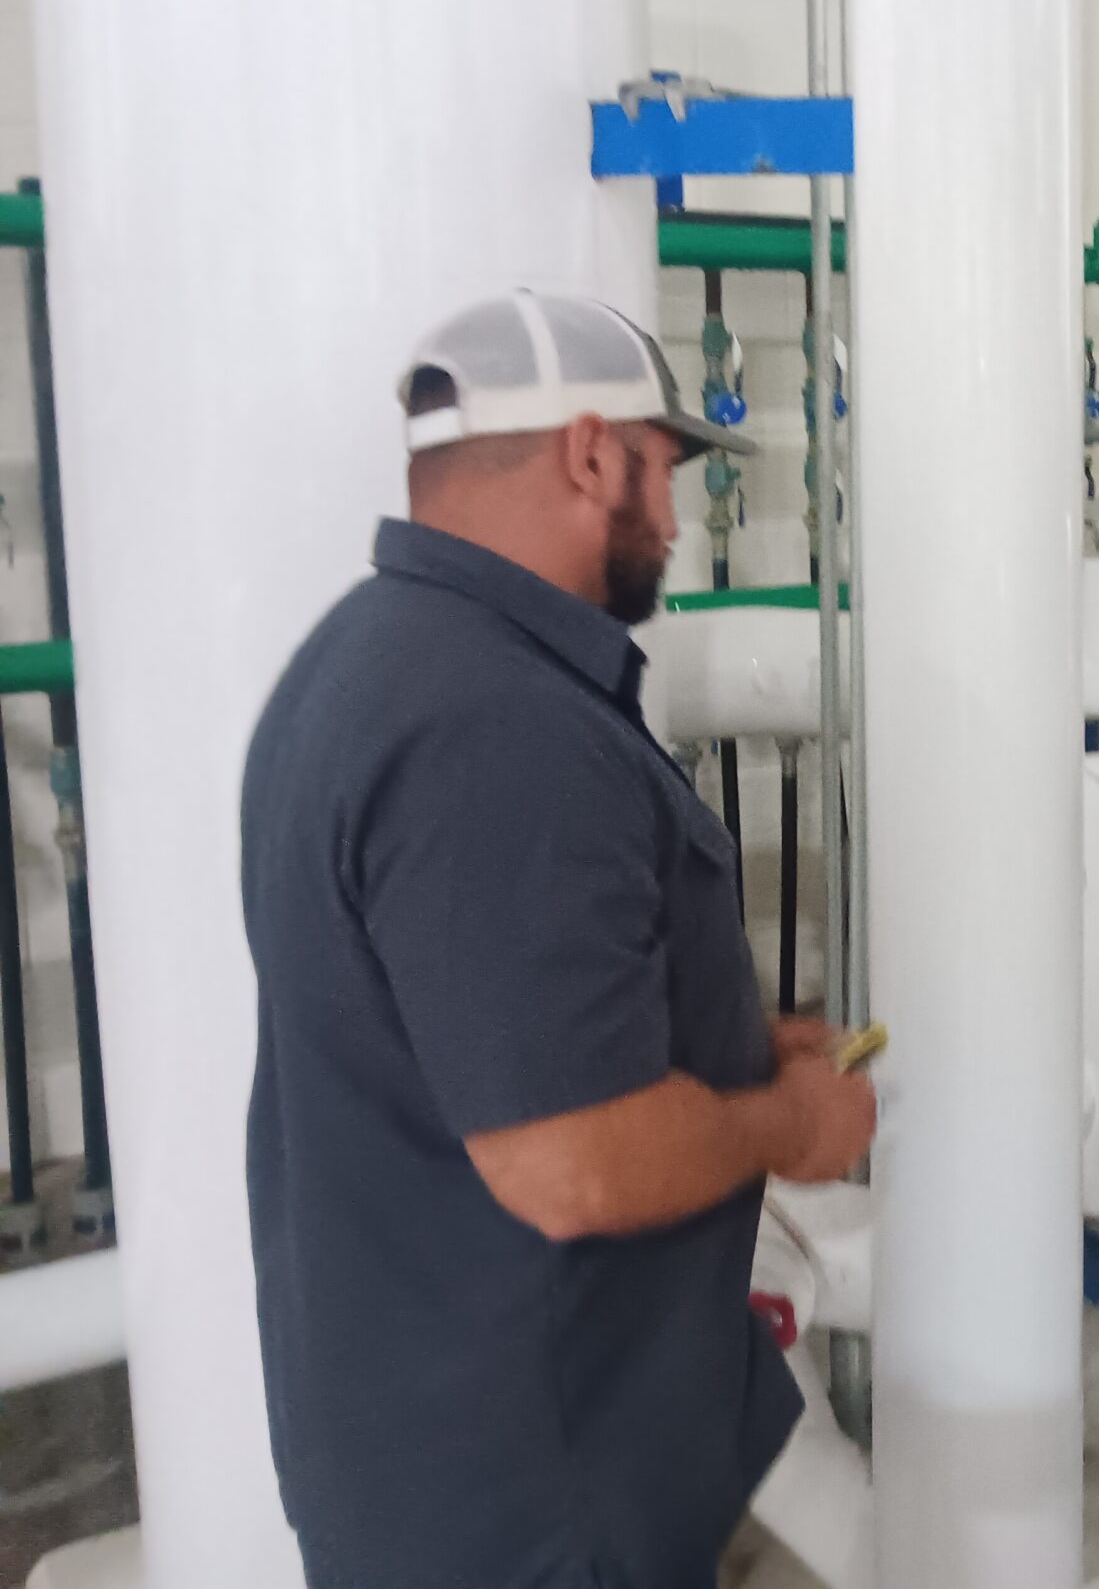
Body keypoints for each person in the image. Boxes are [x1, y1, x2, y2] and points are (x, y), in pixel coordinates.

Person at [241, 290, 878, 1589]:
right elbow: (570, 1164)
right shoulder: (501, 727)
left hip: (435, 1439)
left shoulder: (363, 657)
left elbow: (466, 1034)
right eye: (663, 473)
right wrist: (788, 1124)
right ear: (590, 453)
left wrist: (727, 1041)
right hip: (537, 1489)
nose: (677, 522)